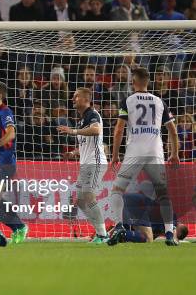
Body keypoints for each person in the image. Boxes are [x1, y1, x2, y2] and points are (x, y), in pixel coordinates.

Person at [107, 67, 181, 246]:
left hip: (135, 152)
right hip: (155, 152)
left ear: (133, 82)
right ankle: (170, 235)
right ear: (148, 82)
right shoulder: (159, 101)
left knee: (117, 190)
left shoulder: (128, 101)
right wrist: (175, 153)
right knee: (163, 194)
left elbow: (118, 130)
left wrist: (115, 154)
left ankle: (118, 227)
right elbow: (172, 130)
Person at [58, 88, 108, 243]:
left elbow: (96, 130)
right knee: (80, 201)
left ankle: (103, 235)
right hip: (85, 164)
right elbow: (86, 143)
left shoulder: (93, 114)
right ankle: (100, 232)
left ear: (86, 99)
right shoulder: (81, 120)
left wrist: (72, 131)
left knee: (88, 195)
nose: (73, 99)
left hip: (96, 162)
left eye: (76, 96)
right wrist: (73, 153)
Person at [0, 81, 29, 245]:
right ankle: (18, 226)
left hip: (5, 161)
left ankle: (19, 226)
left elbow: (11, 134)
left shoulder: (5, 111)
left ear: (0, 95)